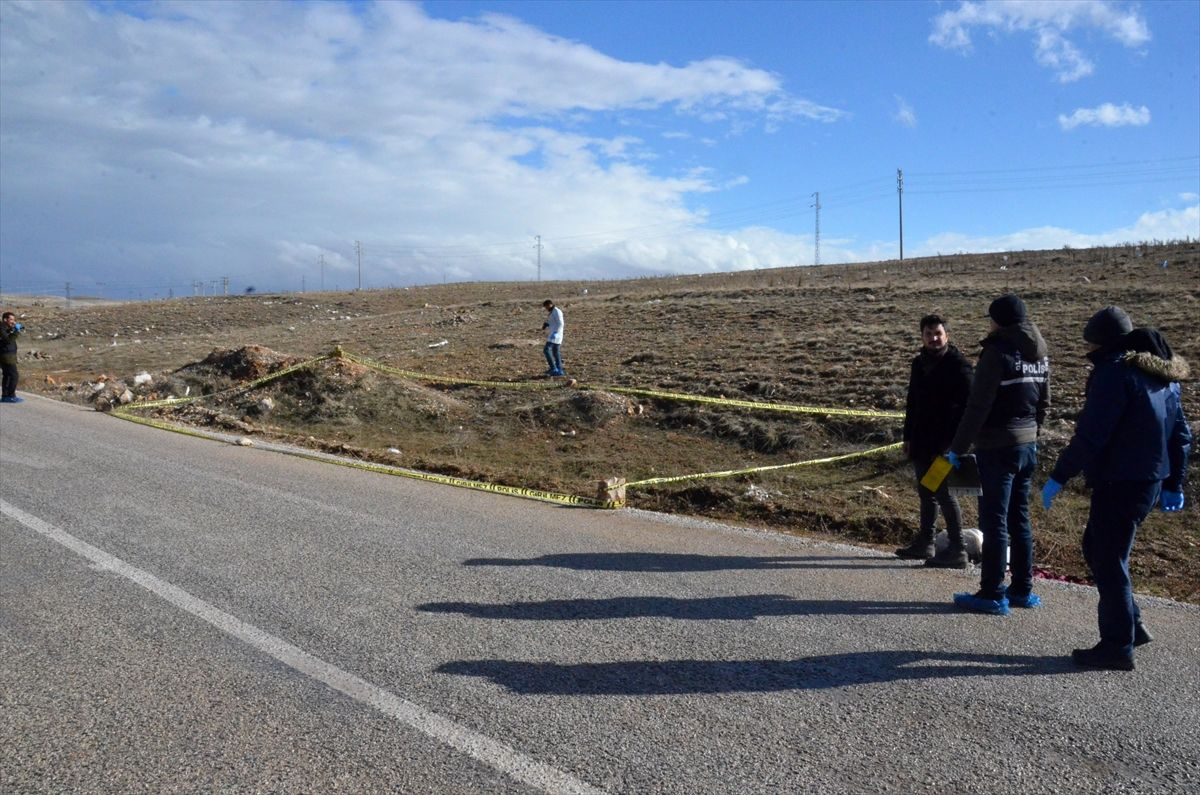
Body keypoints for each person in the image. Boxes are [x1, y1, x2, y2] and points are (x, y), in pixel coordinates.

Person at [1042, 307, 1191, 671]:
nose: (1087, 347)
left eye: (1090, 340)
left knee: (1109, 558)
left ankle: (1116, 645)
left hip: (1121, 481)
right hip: (1147, 481)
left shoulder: (1114, 374)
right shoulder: (1161, 375)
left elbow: (1092, 434)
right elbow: (1180, 434)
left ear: (1102, 341)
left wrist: (1060, 475)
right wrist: (1172, 482)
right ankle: (1132, 625)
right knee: (1097, 549)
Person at [946, 293, 1050, 615]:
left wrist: (958, 448)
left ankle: (991, 592)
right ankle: (1022, 589)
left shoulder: (996, 352)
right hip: (1027, 445)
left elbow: (978, 407)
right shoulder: (1039, 353)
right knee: (1020, 519)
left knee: (995, 521)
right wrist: (1031, 434)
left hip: (997, 447)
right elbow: (1043, 402)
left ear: (997, 320)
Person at [896, 314, 974, 567]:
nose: (933, 338)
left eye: (938, 333)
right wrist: (907, 436)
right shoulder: (919, 364)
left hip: (946, 444)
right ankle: (925, 543)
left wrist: (957, 442)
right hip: (921, 441)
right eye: (928, 334)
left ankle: (958, 549)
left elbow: (970, 408)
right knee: (926, 491)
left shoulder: (959, 366)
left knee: (944, 493)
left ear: (947, 335)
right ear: (922, 337)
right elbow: (912, 402)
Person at [1, 311, 24, 403]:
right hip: (6, 354)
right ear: (5, 319)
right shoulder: (1, 328)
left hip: (9, 354)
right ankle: (11, 395)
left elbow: (9, 336)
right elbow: (8, 340)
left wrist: (14, 328)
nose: (13, 322)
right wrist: (16, 331)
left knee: (7, 375)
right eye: (11, 319)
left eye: (14, 320)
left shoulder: (5, 327)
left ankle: (5, 396)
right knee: (14, 375)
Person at [542, 299, 564, 377]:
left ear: (550, 305)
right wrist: (547, 324)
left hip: (556, 335)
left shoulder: (557, 311)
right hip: (555, 334)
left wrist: (556, 333)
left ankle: (553, 368)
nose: (546, 309)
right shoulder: (552, 312)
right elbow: (553, 322)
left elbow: (560, 323)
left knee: (546, 350)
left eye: (546, 307)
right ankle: (559, 369)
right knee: (555, 352)